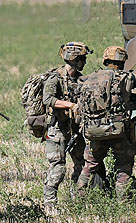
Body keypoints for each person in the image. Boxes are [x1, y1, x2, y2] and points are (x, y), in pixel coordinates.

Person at [76, 46, 136, 198]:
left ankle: (78, 199)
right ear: (123, 61)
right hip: (118, 132)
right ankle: (123, 202)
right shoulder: (126, 77)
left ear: (105, 60)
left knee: (89, 167)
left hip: (94, 131)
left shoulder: (89, 78)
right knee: (123, 167)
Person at [41, 42, 92, 212]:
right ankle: (50, 205)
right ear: (72, 59)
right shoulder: (54, 78)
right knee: (58, 168)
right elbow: (47, 99)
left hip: (75, 130)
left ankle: (78, 201)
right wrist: (70, 105)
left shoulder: (79, 79)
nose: (84, 62)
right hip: (57, 129)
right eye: (81, 59)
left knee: (82, 163)